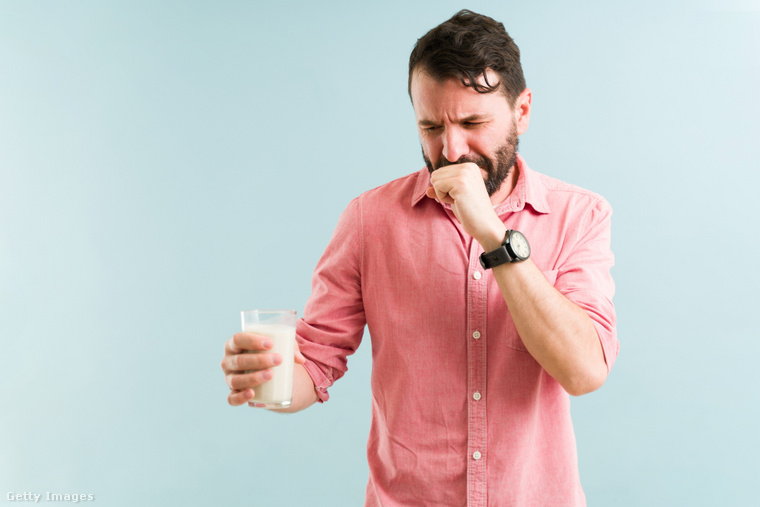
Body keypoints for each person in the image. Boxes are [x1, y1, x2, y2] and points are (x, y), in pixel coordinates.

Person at [221, 9, 617, 506]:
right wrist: (266, 377)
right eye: (431, 126)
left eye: (473, 122)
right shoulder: (369, 220)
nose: (451, 150)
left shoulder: (579, 215)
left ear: (522, 111)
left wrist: (493, 235)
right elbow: (315, 367)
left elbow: (584, 371)